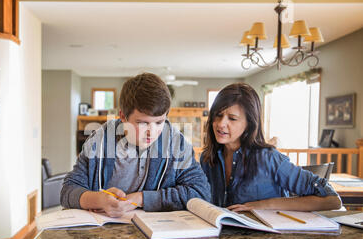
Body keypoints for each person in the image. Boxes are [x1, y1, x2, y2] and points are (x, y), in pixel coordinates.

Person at [61, 73, 211, 216]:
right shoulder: (99, 141)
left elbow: (201, 192)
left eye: (159, 122)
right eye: (142, 123)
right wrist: (97, 200)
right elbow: (68, 191)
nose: (152, 132)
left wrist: (141, 199)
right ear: (122, 116)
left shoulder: (176, 143)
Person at [200, 83, 341, 212]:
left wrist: (265, 204)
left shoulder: (268, 158)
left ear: (249, 123)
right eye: (218, 115)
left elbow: (332, 200)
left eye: (232, 118)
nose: (220, 124)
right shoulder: (207, 158)